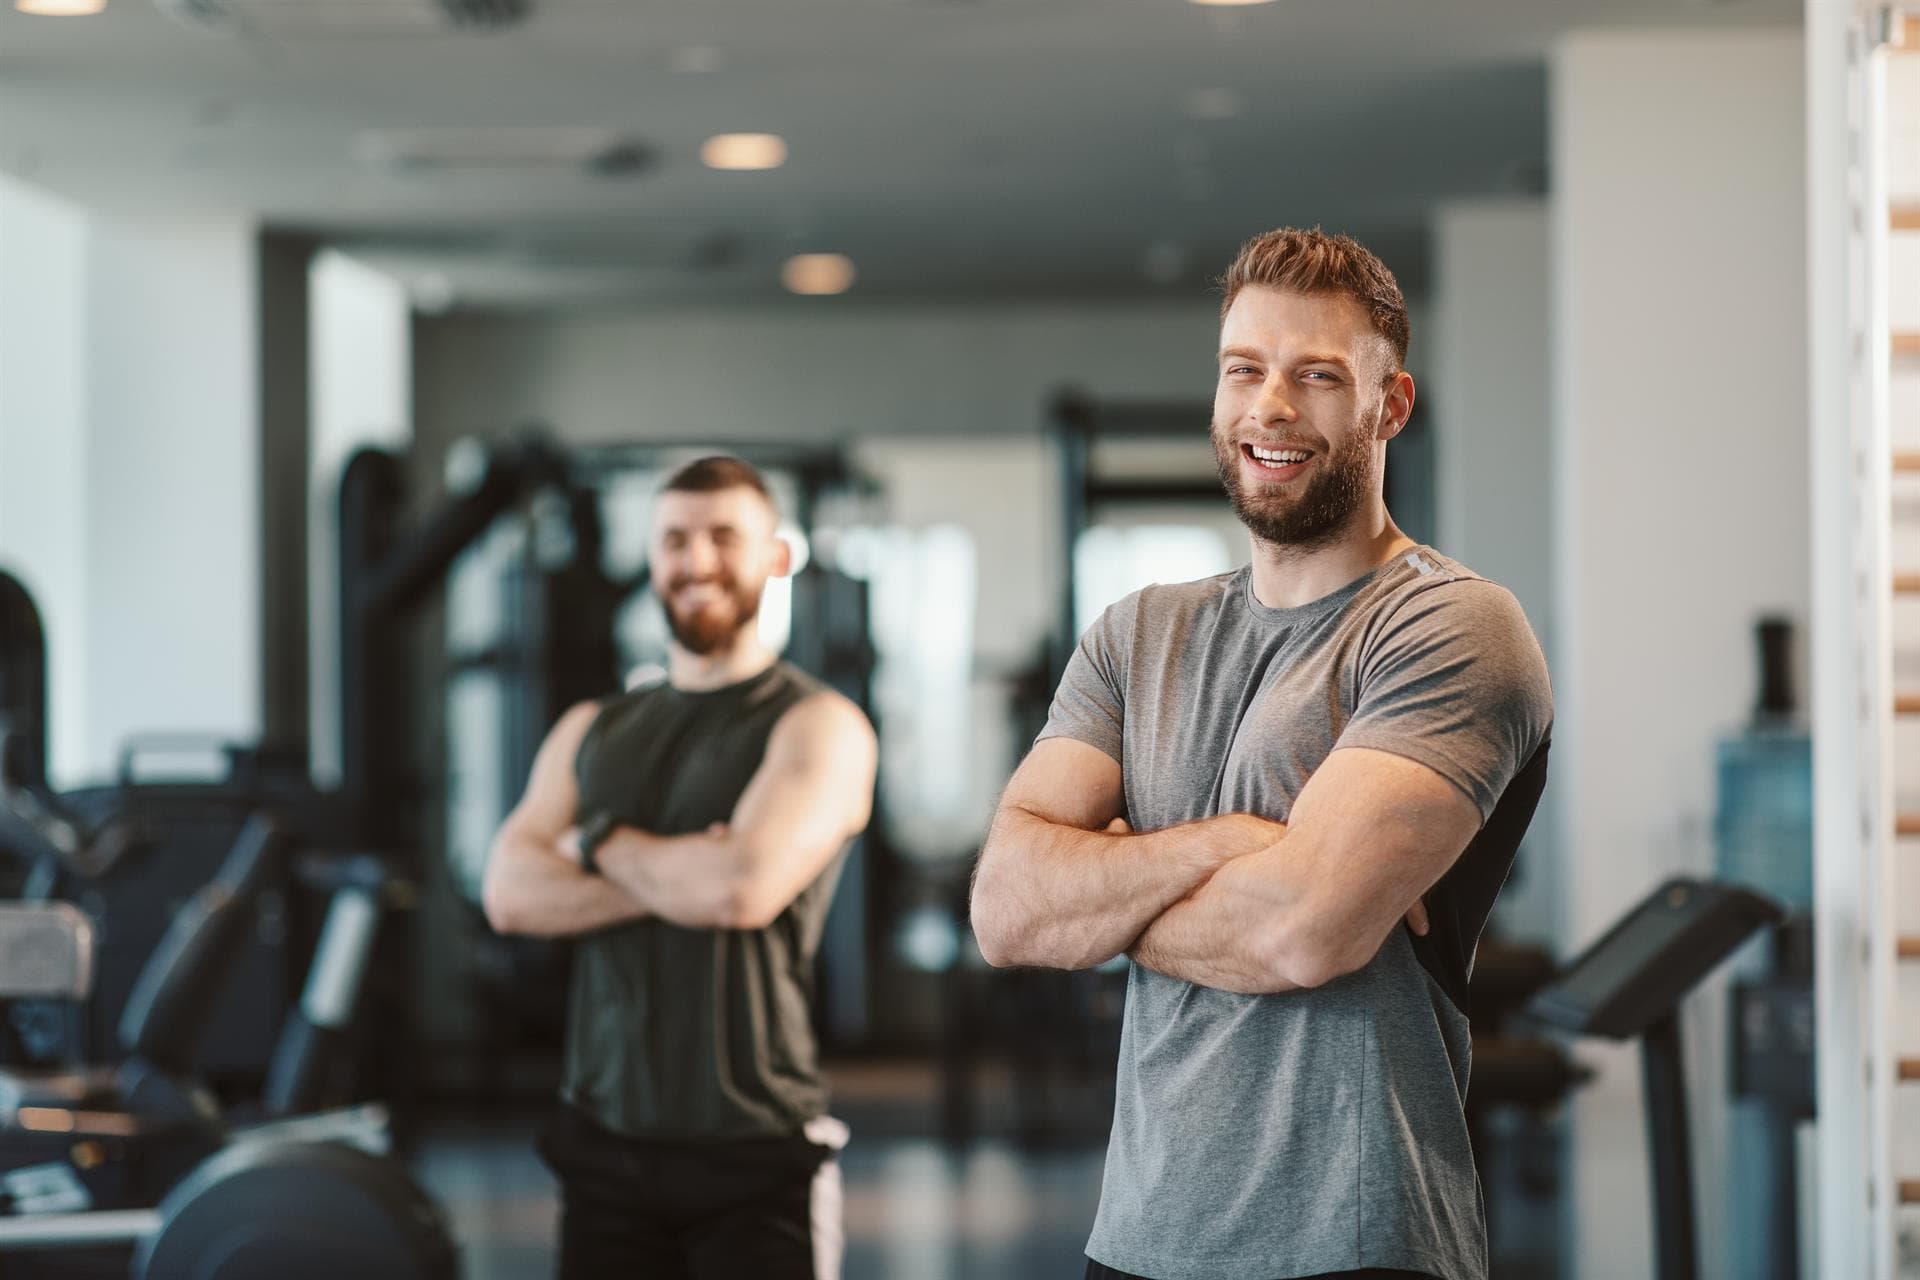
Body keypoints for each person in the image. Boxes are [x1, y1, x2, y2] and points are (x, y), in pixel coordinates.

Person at [970, 228, 1553, 1280]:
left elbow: (1301, 933)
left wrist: (1105, 892)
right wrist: (1236, 845)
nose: (1271, 407)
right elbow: (1008, 909)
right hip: (1137, 1238)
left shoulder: (1454, 626)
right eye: (1245, 369)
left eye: (1319, 376)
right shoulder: (1136, 633)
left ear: (1391, 405)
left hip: (1357, 1241)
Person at [483, 454, 878, 1280]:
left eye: (723, 537)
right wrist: (683, 871)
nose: (696, 561)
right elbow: (510, 895)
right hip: (602, 1145)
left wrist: (593, 842)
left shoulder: (819, 725)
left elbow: (738, 891)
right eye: (674, 540)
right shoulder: (591, 728)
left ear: (775, 557)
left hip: (755, 1154)